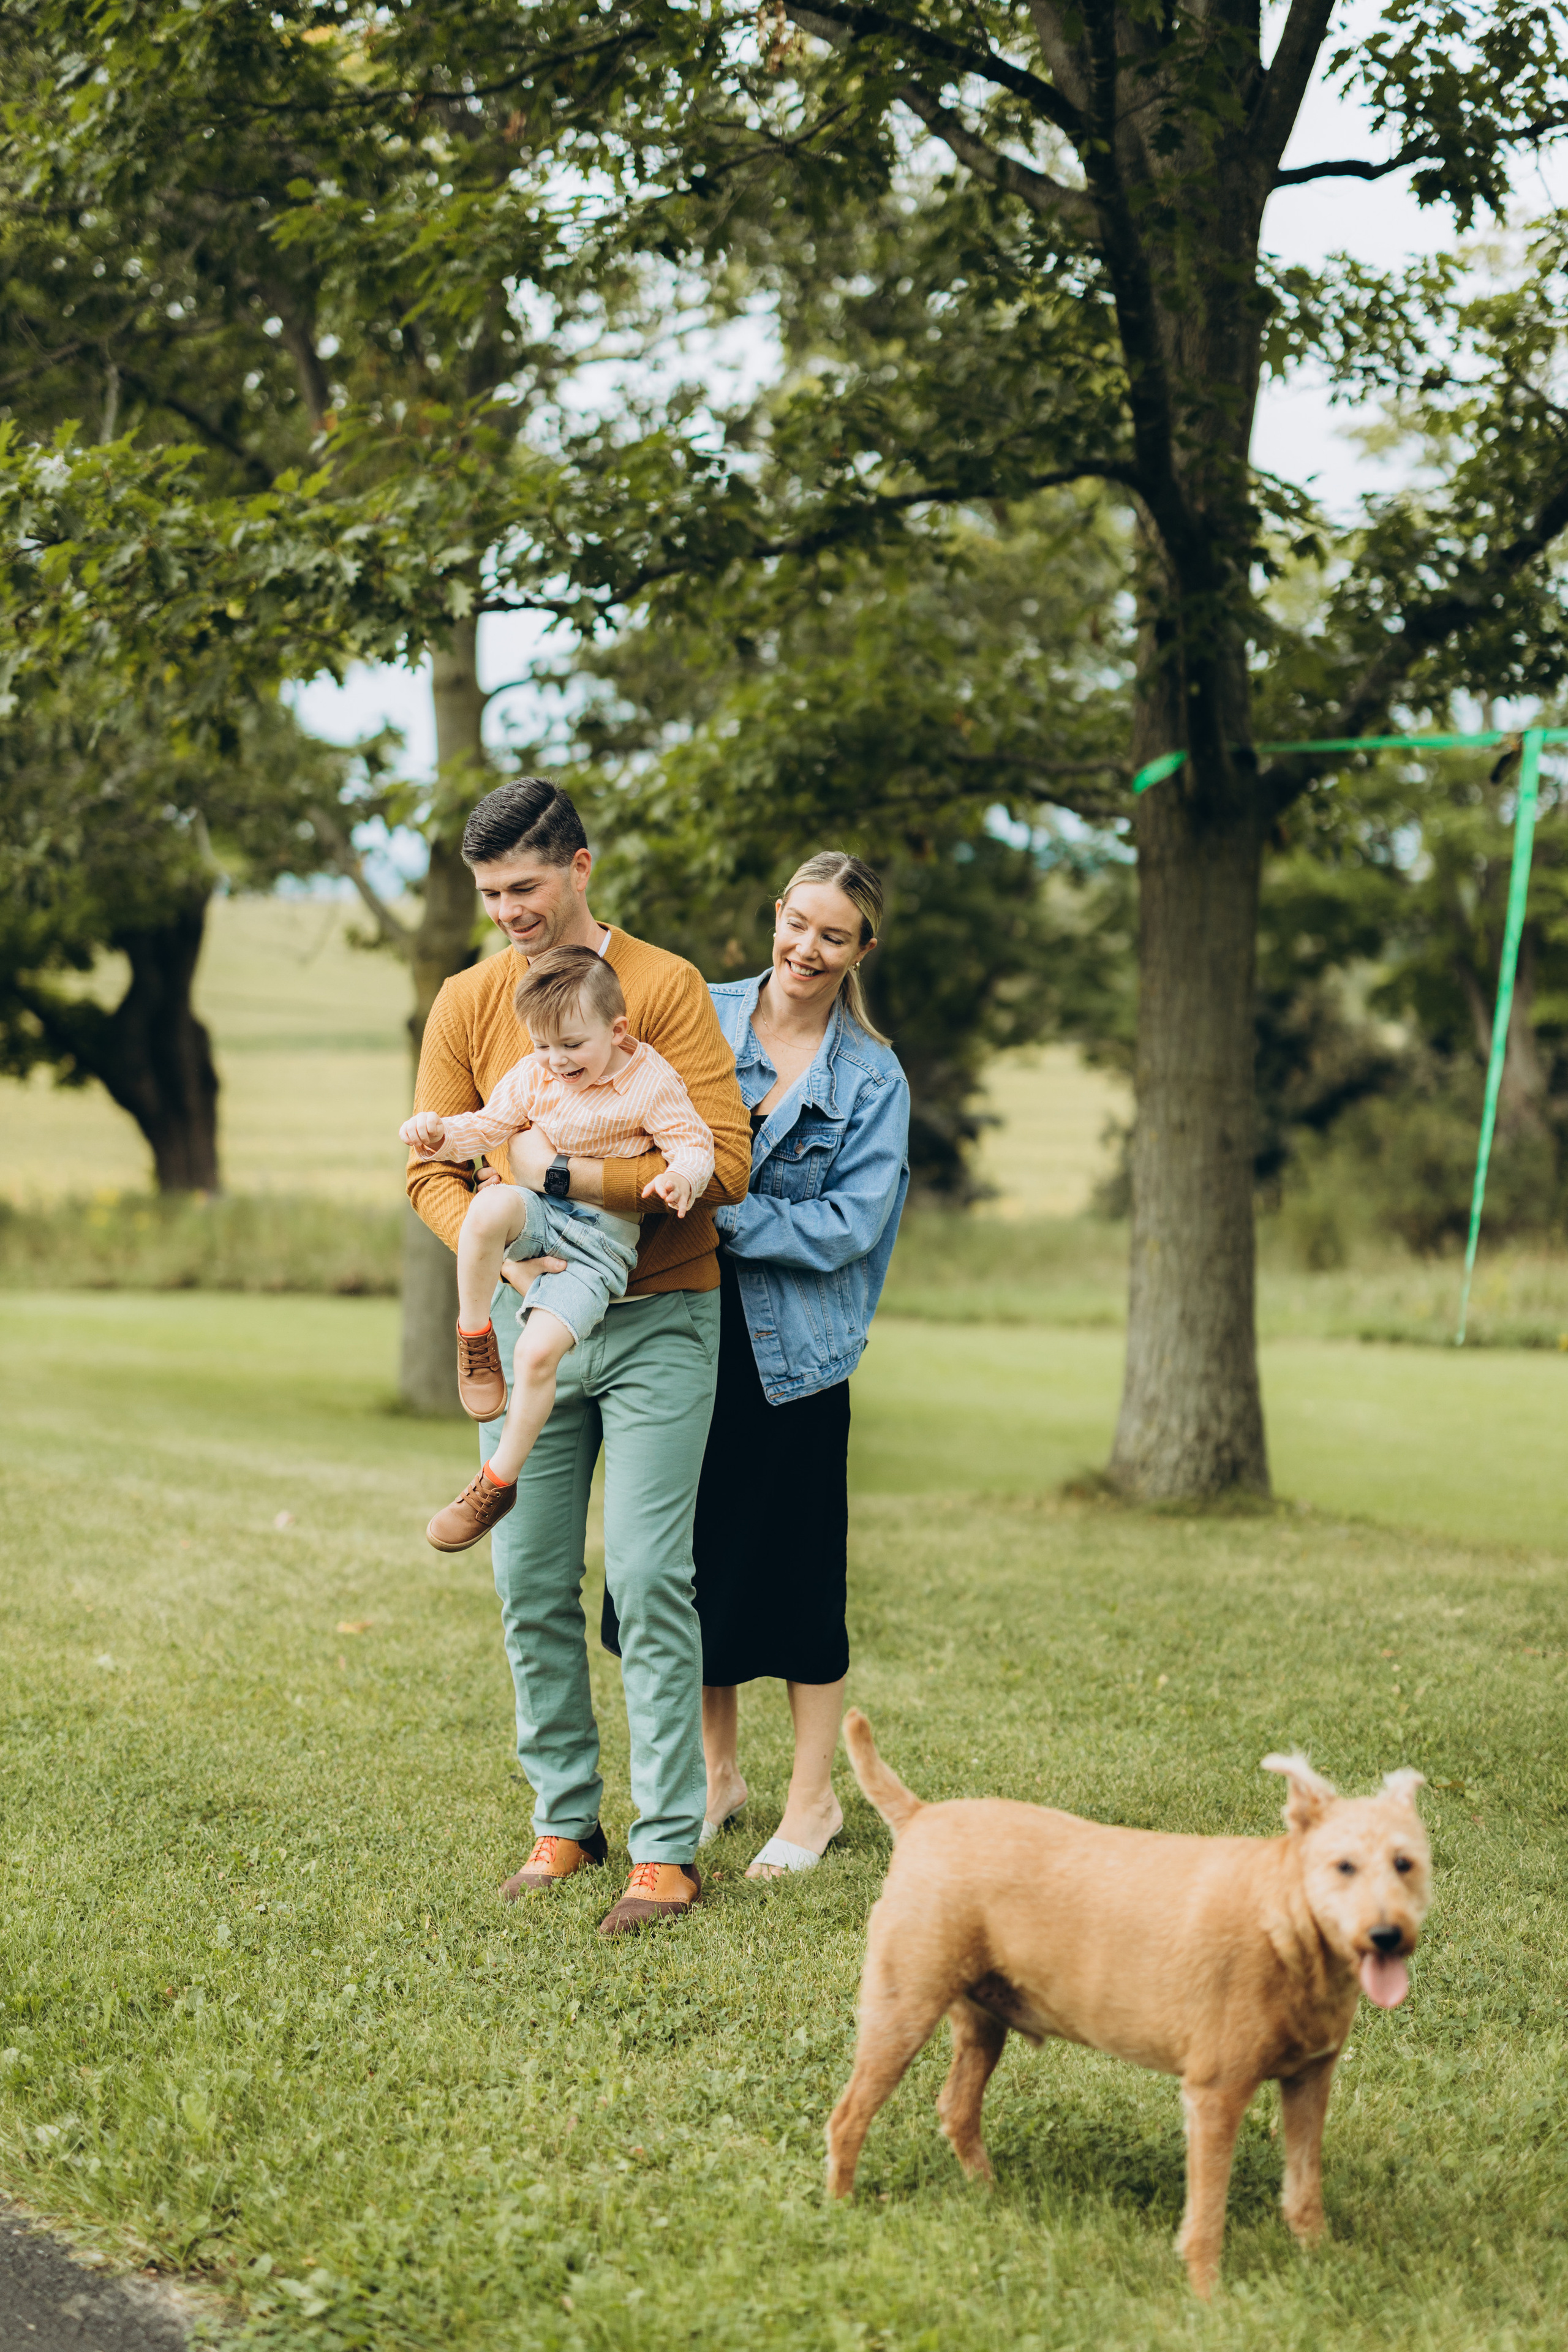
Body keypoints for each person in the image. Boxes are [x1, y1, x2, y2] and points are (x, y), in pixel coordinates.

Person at [407, 777, 750, 1939]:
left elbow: (726, 1164)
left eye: (527, 887)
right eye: (492, 894)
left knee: (651, 1578)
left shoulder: (663, 989)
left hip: (658, 1318)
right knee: (528, 1582)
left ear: (581, 866)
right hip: (526, 1320)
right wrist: (496, 1262)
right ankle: (566, 1822)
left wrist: (555, 1181)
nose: (510, 911)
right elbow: (432, 1168)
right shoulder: (465, 1001)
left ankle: (665, 1850)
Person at [605, 852, 910, 1880]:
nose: (806, 949)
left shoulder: (872, 1076)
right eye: (796, 922)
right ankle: (717, 1776)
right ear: (774, 916)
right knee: (690, 1566)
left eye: (834, 935)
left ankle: (814, 1801)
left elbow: (852, 1225)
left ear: (863, 950)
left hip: (796, 1359)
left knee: (797, 1581)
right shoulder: (697, 1012)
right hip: (675, 1325)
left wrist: (725, 1214)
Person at [401, 945, 715, 1553]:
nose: (555, 1061)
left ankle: (496, 1482)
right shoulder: (535, 1071)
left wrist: (681, 1178)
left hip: (598, 1247)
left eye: (570, 1045)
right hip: (541, 1211)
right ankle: (473, 1336)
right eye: (541, 1046)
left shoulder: (649, 1079)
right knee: (487, 1209)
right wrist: (440, 1134)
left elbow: (695, 1145)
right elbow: (488, 1127)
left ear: (616, 1030)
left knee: (539, 1353)